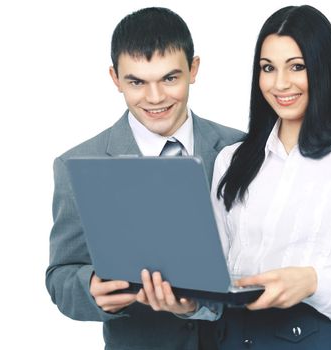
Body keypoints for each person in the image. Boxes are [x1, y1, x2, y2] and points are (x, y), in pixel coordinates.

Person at [137, 5, 331, 349]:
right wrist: (186, 303)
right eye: (267, 68)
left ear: (323, 70)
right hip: (228, 338)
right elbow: (214, 273)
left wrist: (312, 282)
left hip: (313, 338)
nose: (280, 83)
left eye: (297, 67)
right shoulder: (233, 159)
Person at [45, 7, 245, 350]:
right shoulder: (78, 164)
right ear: (114, 78)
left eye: (170, 78)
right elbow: (61, 275)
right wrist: (90, 287)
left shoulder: (242, 149)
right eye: (136, 82)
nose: (155, 98)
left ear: (193, 69)